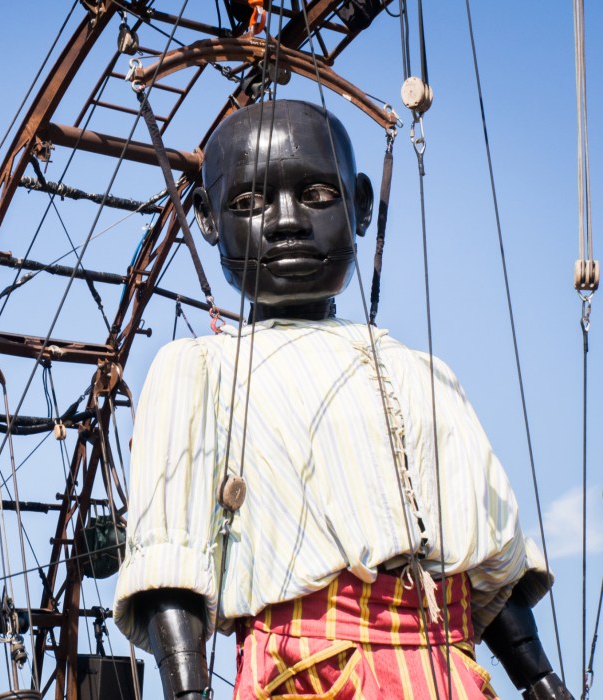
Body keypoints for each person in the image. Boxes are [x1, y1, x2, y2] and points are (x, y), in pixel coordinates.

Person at [113, 100, 569, 699]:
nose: (285, 223)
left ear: (361, 205)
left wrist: (539, 680)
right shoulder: (198, 370)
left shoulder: (423, 373)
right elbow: (168, 562)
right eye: (248, 204)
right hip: (309, 676)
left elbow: (486, 560)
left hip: (446, 673)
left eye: (317, 195)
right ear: (206, 218)